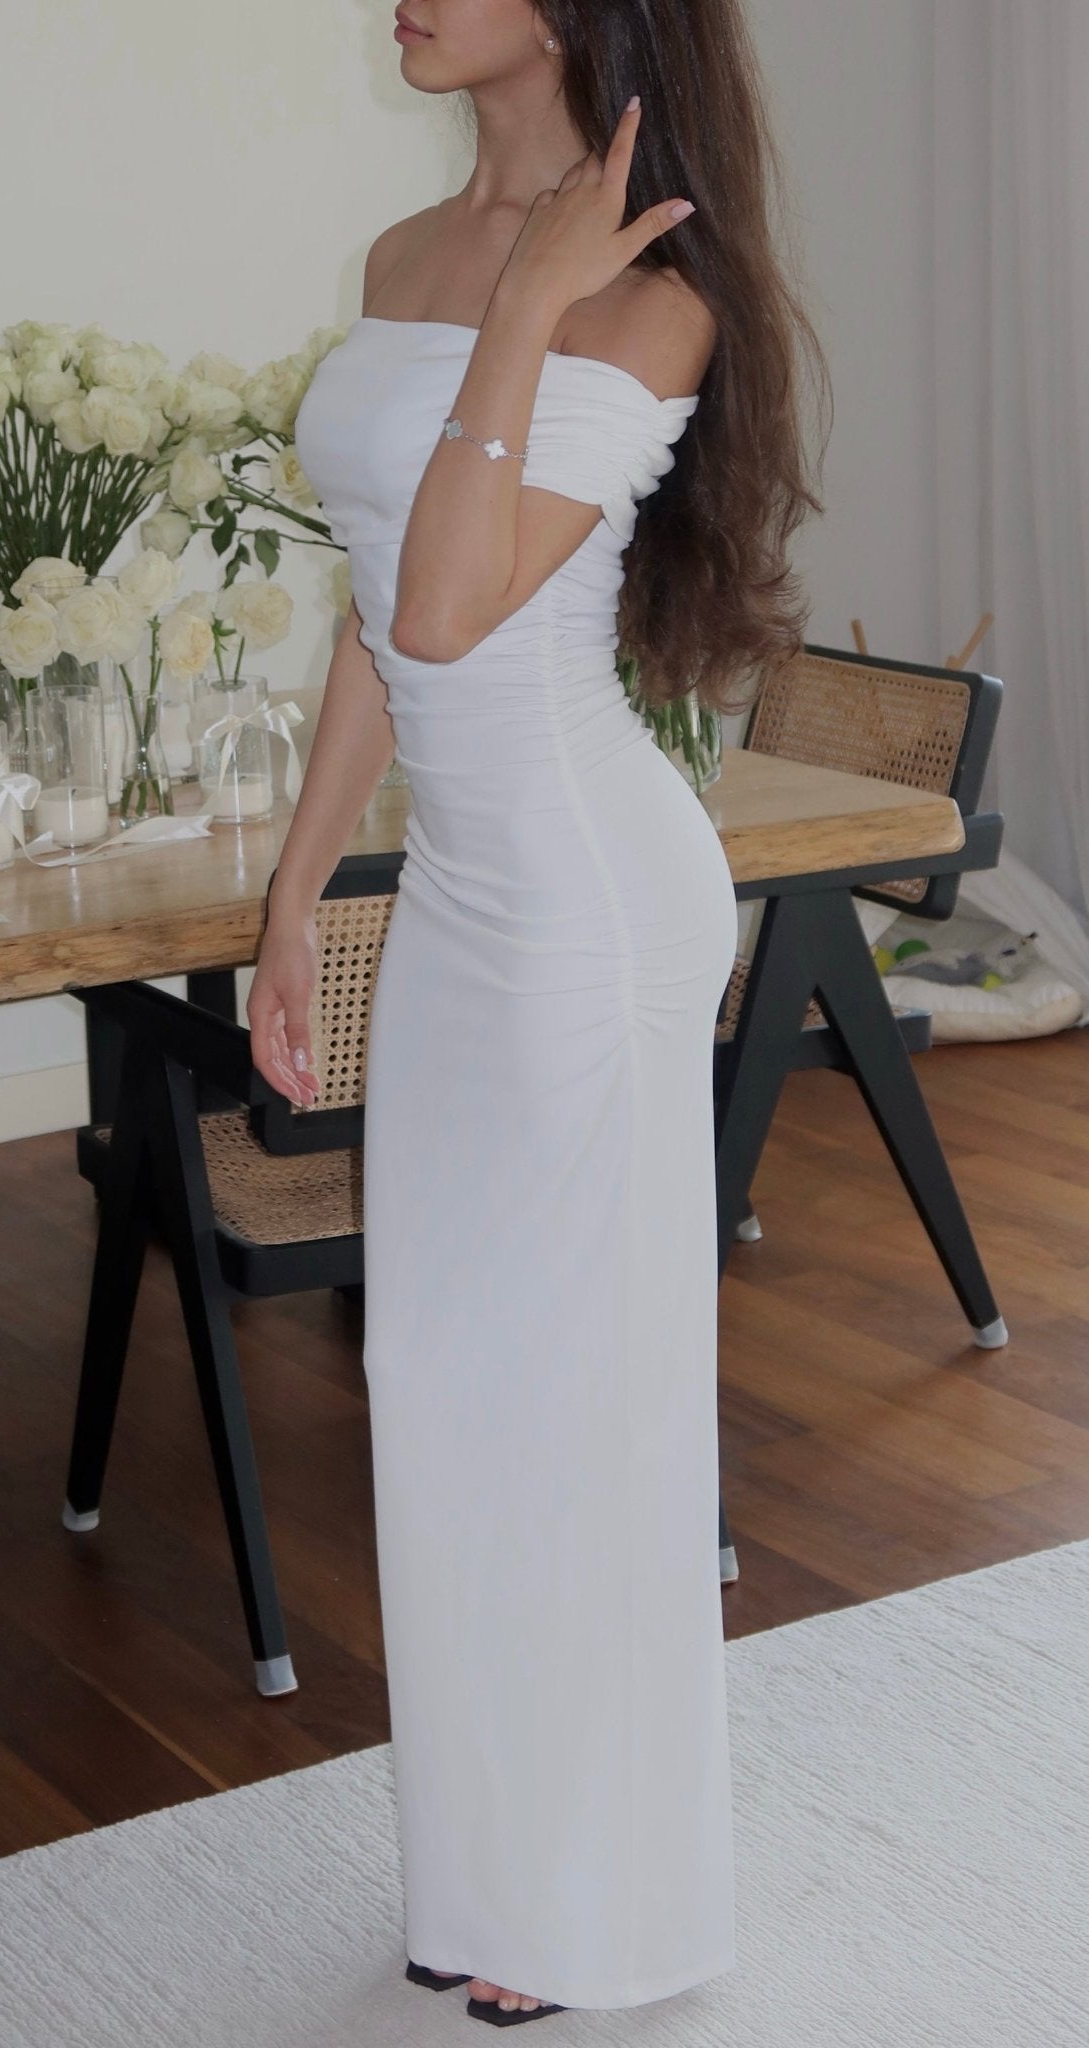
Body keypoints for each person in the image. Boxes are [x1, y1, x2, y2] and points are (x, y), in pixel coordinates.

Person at [248, 0, 829, 2025]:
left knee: (575, 1406)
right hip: (461, 899)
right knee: (441, 1381)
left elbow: (447, 603)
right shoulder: (403, 262)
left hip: (587, 901)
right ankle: (493, 1883)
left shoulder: (650, 289)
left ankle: (603, 1907)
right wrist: (294, 883)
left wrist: (532, 311)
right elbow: (361, 610)